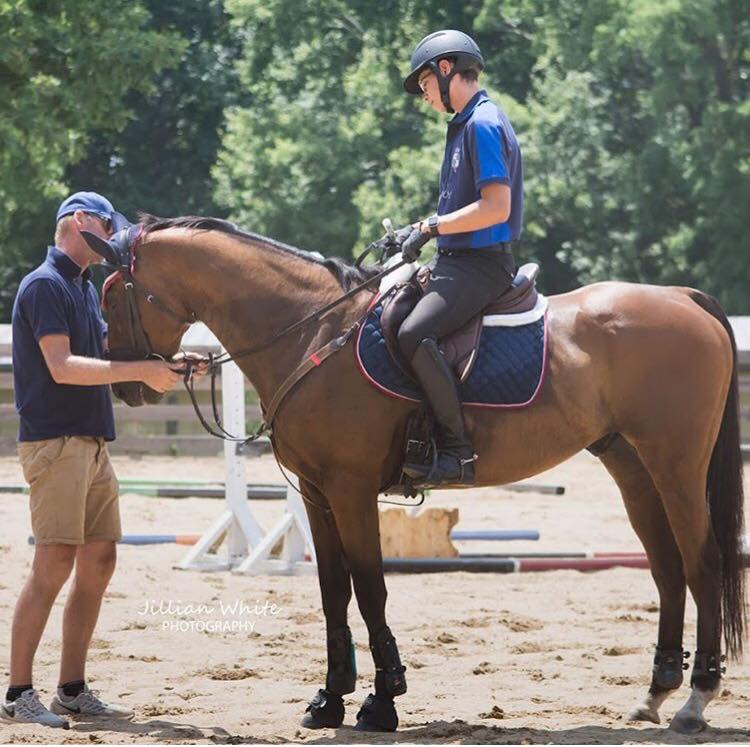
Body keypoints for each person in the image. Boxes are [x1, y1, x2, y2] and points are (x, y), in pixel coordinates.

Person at [3, 192, 204, 729]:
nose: (110, 240)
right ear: (78, 222)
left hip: (89, 442)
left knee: (97, 560)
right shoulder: (45, 284)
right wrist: (142, 371)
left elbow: (106, 353)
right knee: (53, 563)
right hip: (57, 441)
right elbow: (63, 367)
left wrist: (165, 363)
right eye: (105, 228)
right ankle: (18, 691)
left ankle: (71, 688)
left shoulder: (83, 288)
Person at [395, 29, 524, 487]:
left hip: (483, 265)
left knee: (413, 333)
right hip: (458, 260)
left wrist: (430, 226)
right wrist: (424, 234)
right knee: (392, 312)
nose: (425, 95)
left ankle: (457, 451)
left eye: (425, 84)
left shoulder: (484, 124)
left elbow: (496, 208)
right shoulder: (465, 124)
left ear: (445, 68)